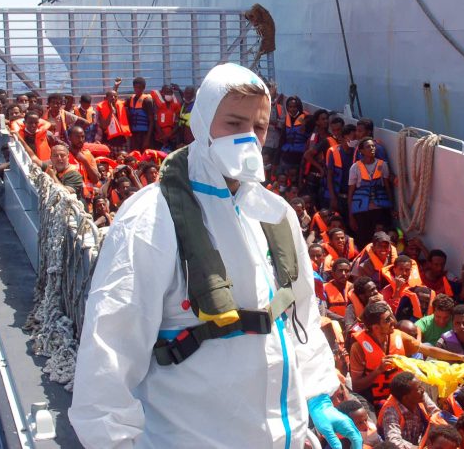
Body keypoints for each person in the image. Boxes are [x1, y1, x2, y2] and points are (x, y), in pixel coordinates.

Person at [70, 63, 362, 449]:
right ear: (203, 120)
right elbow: (109, 350)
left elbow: (300, 312)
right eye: (233, 123)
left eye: (257, 128)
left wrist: (318, 393)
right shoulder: (150, 219)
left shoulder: (275, 214)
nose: (248, 139)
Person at [349, 302, 464, 410]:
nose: (393, 322)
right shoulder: (358, 348)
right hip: (372, 399)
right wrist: (379, 370)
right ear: (376, 327)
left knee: (430, 405)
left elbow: (429, 350)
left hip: (400, 394)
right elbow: (356, 385)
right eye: (387, 320)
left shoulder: (397, 335)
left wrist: (462, 357)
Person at [348, 137, 395, 247]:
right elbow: (351, 192)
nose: (372, 148)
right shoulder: (355, 168)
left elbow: (387, 187)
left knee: (381, 238)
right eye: (368, 147)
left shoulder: (383, 165)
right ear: (361, 151)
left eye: (373, 146)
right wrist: (351, 217)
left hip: (380, 210)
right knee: (364, 240)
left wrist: (392, 208)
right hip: (362, 211)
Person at [378, 372, 440, 447]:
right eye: (418, 388)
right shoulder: (390, 411)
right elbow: (394, 442)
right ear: (406, 397)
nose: (423, 390)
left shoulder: (420, 396)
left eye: (420, 386)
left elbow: (437, 414)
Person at [325, 124, 356, 221]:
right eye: (353, 137)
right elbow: (329, 176)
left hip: (353, 197)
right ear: (344, 137)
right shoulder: (334, 152)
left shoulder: (357, 152)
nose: (355, 140)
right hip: (338, 196)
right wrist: (333, 198)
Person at [68, 125, 100, 205]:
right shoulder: (64, 155)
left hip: (87, 200)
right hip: (70, 199)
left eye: (83, 137)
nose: (81, 140)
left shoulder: (88, 154)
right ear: (69, 138)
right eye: (77, 137)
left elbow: (95, 180)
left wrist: (85, 161)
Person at [96, 83, 132, 156]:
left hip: (122, 141)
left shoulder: (122, 106)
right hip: (108, 141)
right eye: (111, 96)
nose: (113, 98)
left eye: (115, 96)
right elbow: (104, 126)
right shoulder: (102, 108)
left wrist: (116, 87)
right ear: (106, 98)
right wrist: (110, 113)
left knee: (123, 161)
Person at [280, 95, 309, 172]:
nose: (292, 109)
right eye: (290, 107)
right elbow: (282, 139)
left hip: (299, 157)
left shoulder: (306, 119)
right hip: (286, 156)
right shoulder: (287, 119)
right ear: (287, 108)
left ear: (299, 107)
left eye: (295, 107)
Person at [125, 77, 154, 151]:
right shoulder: (129, 99)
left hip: (144, 134)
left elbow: (151, 121)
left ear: (143, 88)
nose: (137, 89)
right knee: (134, 155)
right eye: (135, 87)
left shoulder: (147, 101)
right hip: (133, 134)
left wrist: (147, 139)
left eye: (139, 88)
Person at [151, 84, 181, 150]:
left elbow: (177, 123)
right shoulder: (156, 105)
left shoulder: (176, 106)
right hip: (159, 139)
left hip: (172, 138)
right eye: (166, 92)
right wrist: (163, 136)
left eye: (170, 92)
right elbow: (155, 121)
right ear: (162, 93)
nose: (169, 94)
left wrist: (169, 135)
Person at [323, 258, 352, 326]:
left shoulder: (353, 288)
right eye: (340, 271)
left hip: (350, 324)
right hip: (333, 324)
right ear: (333, 273)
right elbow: (323, 310)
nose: (344, 274)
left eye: (347, 271)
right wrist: (342, 319)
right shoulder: (324, 288)